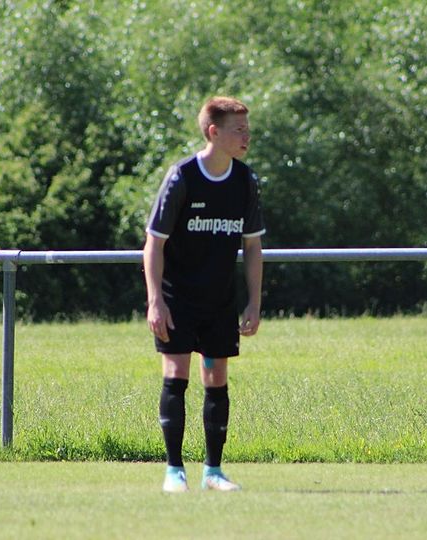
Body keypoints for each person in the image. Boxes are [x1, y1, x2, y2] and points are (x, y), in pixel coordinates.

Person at [143, 96, 265, 493]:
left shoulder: (245, 180)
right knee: (175, 376)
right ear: (214, 132)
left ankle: (213, 472)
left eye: (247, 129)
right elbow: (154, 243)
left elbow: (252, 247)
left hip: (219, 300)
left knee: (216, 379)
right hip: (177, 298)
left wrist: (254, 302)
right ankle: (174, 471)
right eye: (239, 130)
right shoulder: (182, 177)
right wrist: (155, 301)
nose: (246, 136)